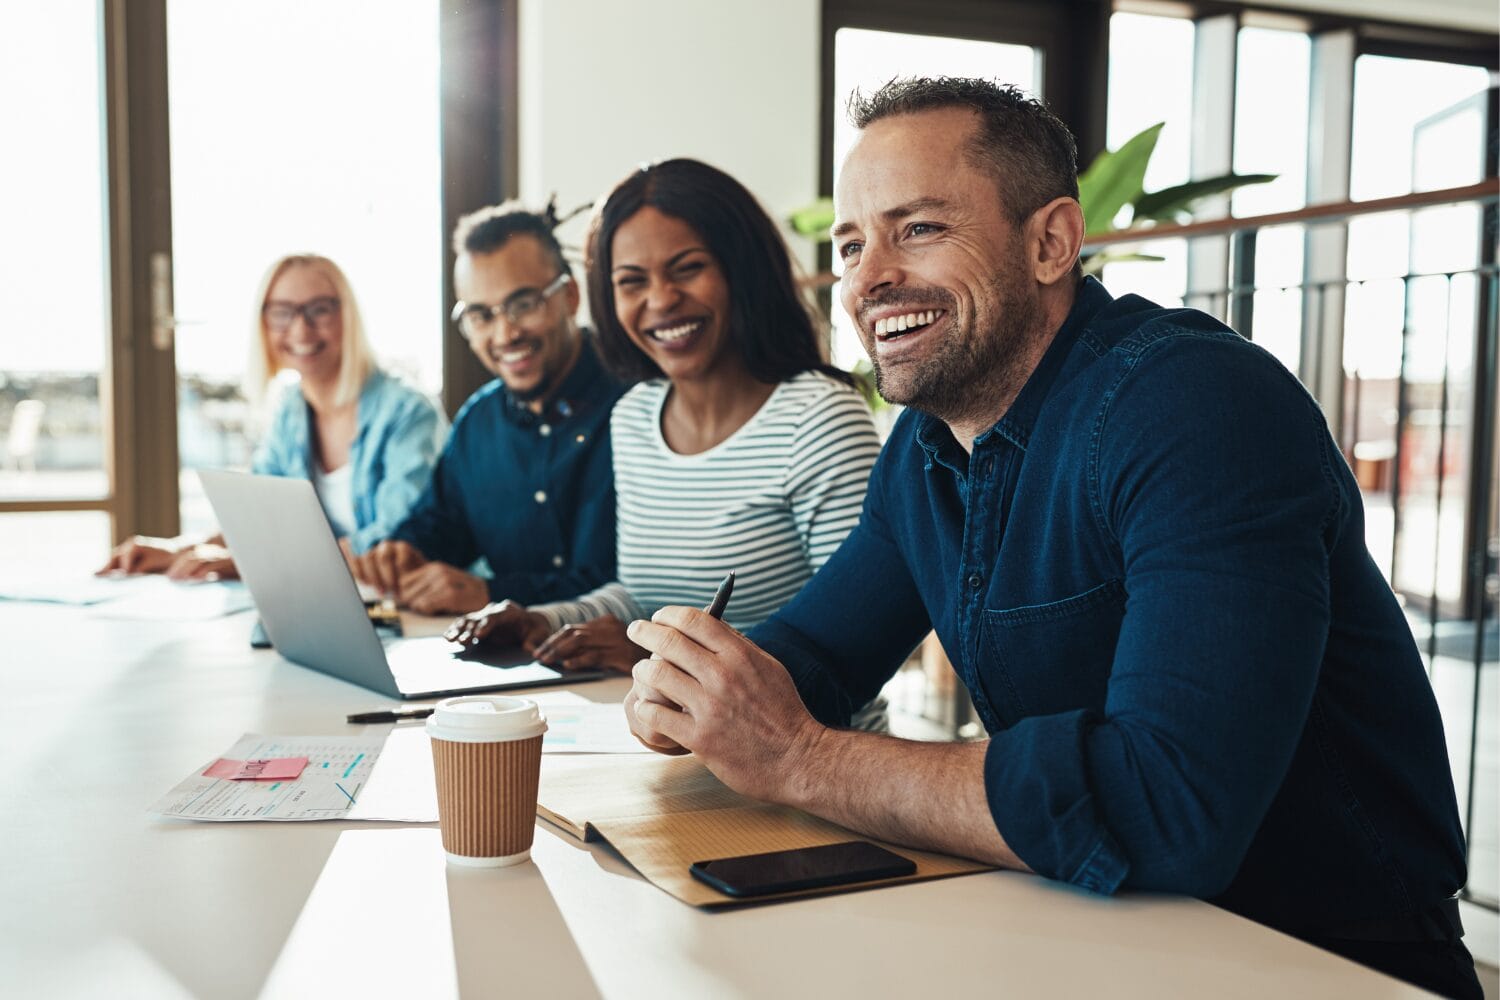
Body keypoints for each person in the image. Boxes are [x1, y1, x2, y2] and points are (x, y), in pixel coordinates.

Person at [619, 79, 1480, 999]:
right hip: (1089, 935)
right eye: (851, 243)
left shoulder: (1194, 404)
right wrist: (699, 688)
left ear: (1051, 242)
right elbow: (818, 654)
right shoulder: (924, 445)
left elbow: (1170, 805)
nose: (868, 280)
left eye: (918, 229)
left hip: (1321, 962)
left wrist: (801, 756)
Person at [444, 159, 882, 688]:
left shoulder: (819, 418)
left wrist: (659, 658)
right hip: (664, 740)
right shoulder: (634, 415)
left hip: (801, 758)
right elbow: (639, 596)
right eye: (632, 281)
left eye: (687, 268)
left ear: (739, 270)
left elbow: (856, 642)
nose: (660, 300)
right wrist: (543, 619)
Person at [347, 202, 626, 615]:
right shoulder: (479, 421)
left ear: (569, 296)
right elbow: (441, 523)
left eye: (524, 304)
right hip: (508, 665)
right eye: (480, 315)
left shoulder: (638, 406)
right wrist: (404, 551)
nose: (505, 334)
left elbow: (631, 587)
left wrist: (491, 593)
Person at [99, 253, 442, 580]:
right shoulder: (291, 409)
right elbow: (259, 519)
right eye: (282, 312)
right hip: (328, 602)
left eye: (319, 310)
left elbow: (396, 541)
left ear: (348, 316)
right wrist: (179, 548)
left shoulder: (408, 412)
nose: (300, 329)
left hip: (410, 606)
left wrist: (251, 563)